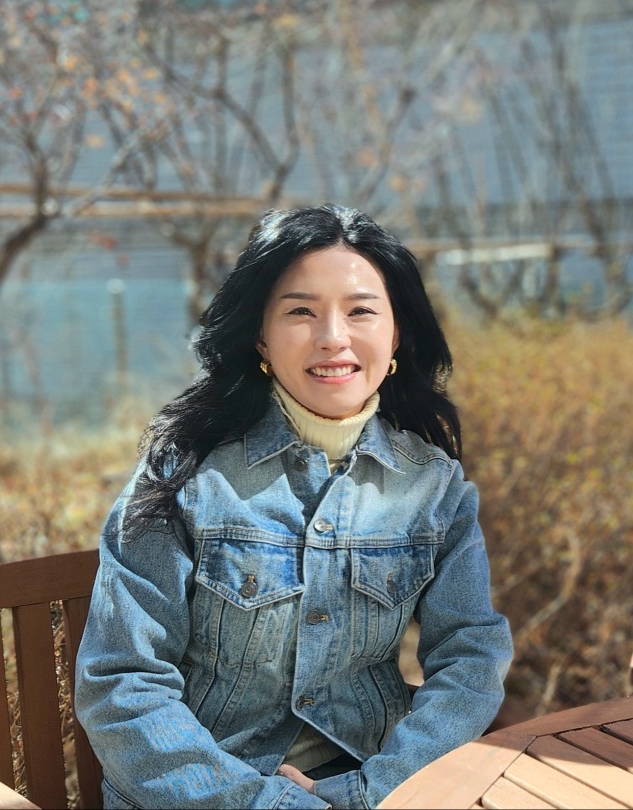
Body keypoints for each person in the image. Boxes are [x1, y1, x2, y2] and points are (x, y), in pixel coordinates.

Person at [76, 205, 512, 809]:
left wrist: (371, 792)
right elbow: (121, 683)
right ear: (261, 336)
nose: (333, 337)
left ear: (396, 334)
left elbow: (471, 656)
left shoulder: (433, 486)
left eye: (360, 311)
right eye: (301, 311)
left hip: (373, 782)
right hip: (209, 791)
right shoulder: (185, 476)